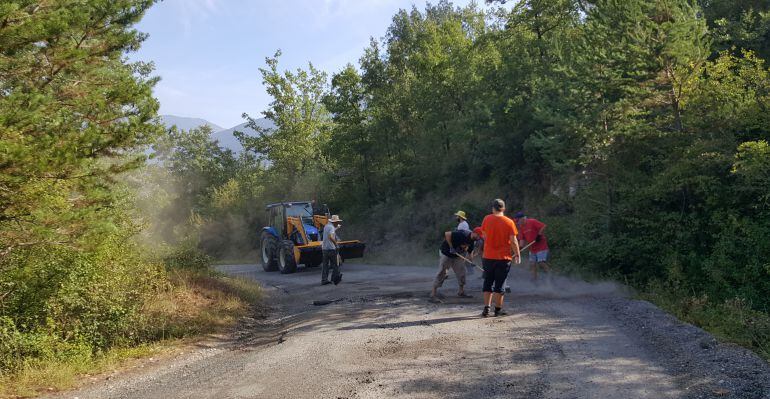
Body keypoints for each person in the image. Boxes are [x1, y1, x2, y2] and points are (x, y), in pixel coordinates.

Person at [480, 199, 520, 317]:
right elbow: (513, 241)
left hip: (488, 257)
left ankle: (486, 309)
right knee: (500, 284)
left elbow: (484, 236)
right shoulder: (509, 222)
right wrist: (517, 254)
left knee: (488, 282)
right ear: (504, 208)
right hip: (503, 258)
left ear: (493, 208)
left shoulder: (486, 219)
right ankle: (497, 310)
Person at [430, 228, 481, 301]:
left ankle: (461, 292)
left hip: (457, 256)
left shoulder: (472, 242)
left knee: (462, 272)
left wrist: (471, 262)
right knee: (442, 272)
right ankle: (433, 293)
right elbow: (447, 234)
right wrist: (451, 247)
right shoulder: (463, 234)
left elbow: (470, 253)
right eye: (478, 235)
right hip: (447, 254)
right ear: (474, 233)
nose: (479, 238)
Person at [513, 211, 550, 280]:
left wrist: (539, 235)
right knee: (532, 264)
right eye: (516, 222)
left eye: (518, 221)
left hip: (541, 246)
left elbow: (543, 226)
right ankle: (534, 279)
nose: (517, 223)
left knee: (541, 262)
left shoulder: (532, 221)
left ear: (522, 219)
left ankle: (549, 276)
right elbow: (522, 239)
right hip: (532, 248)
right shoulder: (521, 228)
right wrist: (520, 248)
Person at [321, 215, 343, 285]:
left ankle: (324, 280)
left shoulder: (326, 226)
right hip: (331, 249)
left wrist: (336, 228)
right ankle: (334, 279)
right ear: (334, 222)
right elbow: (330, 236)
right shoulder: (331, 227)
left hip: (324, 249)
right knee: (337, 264)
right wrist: (336, 244)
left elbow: (330, 232)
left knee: (325, 265)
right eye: (337, 222)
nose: (338, 223)